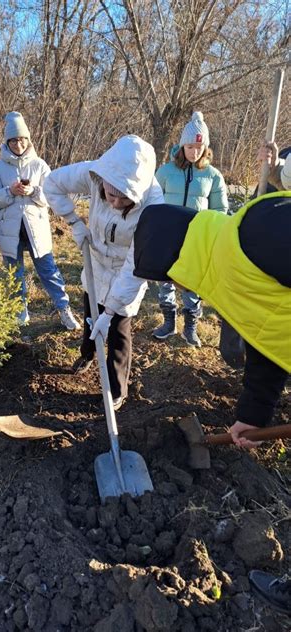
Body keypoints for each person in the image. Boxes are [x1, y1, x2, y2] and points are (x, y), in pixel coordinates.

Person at [132, 192, 290, 447]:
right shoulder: (233, 276)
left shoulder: (258, 226)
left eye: (172, 280)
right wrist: (253, 414)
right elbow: (268, 337)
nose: (179, 287)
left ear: (178, 260)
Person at [44, 135, 164, 410]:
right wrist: (73, 221)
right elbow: (52, 183)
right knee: (90, 316)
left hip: (127, 269)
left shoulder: (153, 205)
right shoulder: (94, 173)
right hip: (96, 261)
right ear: (103, 181)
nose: (115, 203)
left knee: (119, 331)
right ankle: (87, 354)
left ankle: (116, 389)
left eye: (125, 199)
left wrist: (111, 311)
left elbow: (136, 266)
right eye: (111, 195)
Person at [0, 111, 80, 330]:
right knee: (14, 274)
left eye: (22, 139)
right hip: (10, 233)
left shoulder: (39, 165)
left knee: (49, 271)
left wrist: (33, 191)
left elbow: (52, 196)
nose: (18, 144)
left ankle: (64, 309)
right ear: (7, 142)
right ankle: (20, 314)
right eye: (14, 140)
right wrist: (10, 191)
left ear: (28, 140)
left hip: (36, 231)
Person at [153, 112, 228, 347]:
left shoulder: (213, 176)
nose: (194, 152)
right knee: (165, 278)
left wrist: (213, 234)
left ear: (205, 148)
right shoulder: (165, 172)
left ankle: (190, 326)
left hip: (196, 239)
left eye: (199, 147)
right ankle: (168, 321)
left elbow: (220, 210)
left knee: (192, 281)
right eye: (190, 146)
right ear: (181, 146)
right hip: (167, 235)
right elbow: (153, 203)